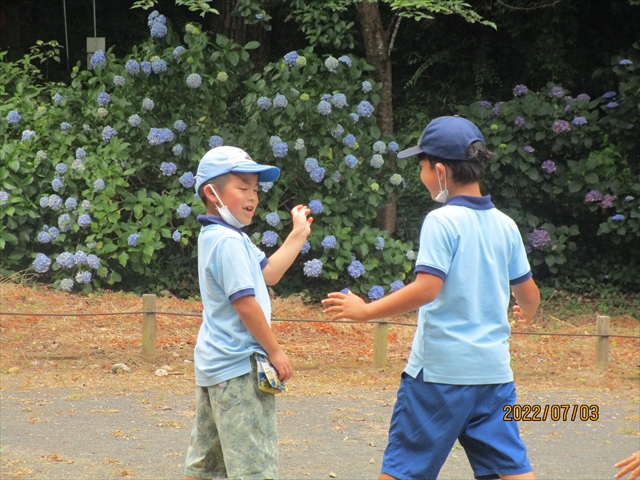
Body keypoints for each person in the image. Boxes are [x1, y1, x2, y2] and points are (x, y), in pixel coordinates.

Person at [322, 116, 541, 480]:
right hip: (493, 374)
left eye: (422, 167)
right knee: (510, 469)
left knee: (404, 468)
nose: (422, 176)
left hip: (440, 374)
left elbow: (427, 289)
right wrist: (527, 313)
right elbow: (529, 294)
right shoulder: (506, 224)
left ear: (440, 171)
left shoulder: (442, 220)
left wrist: (365, 311)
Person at [184, 145, 312, 480]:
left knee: (205, 468)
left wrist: (298, 234)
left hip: (216, 367)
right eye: (242, 187)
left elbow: (267, 274)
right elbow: (245, 303)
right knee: (254, 469)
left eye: (255, 189)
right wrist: (275, 351)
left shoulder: (224, 236)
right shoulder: (227, 242)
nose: (252, 196)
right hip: (240, 370)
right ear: (212, 192)